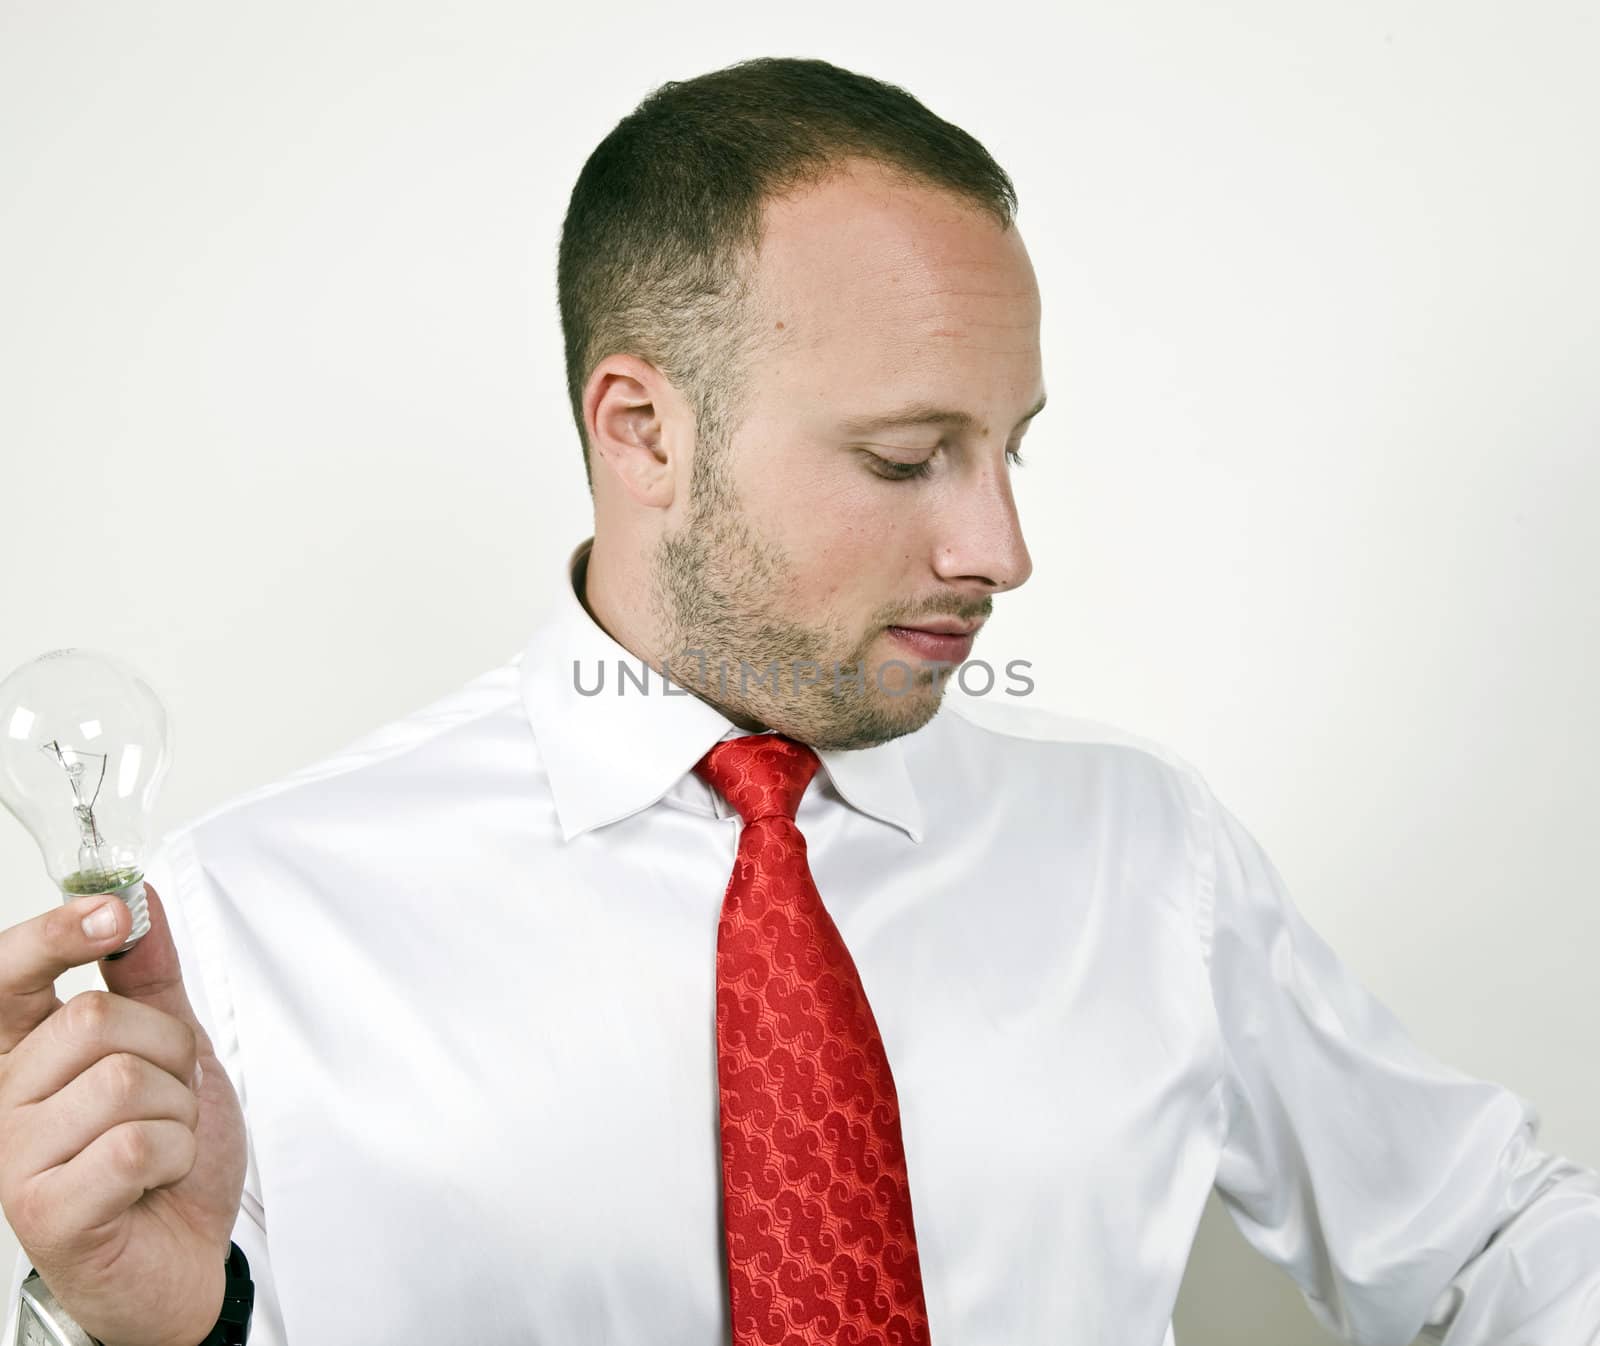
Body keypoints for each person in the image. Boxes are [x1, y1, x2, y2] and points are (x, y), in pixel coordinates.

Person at [3, 54, 1597, 1346]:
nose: (1002, 549)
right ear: (641, 431)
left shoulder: (1142, 852)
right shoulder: (245, 931)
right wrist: (164, 1334)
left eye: (1008, 446)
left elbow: (1492, 1241)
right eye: (907, 458)